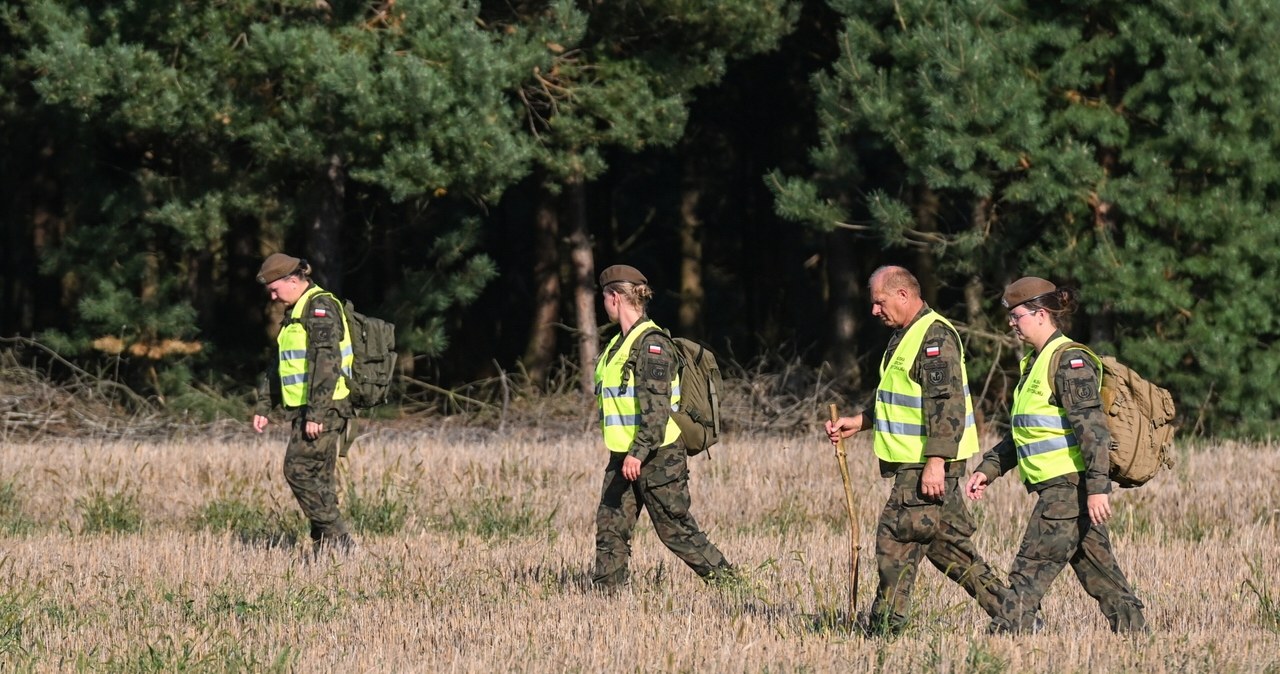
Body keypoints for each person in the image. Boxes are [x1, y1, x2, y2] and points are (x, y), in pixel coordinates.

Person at [825, 265, 1013, 635]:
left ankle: (881, 634)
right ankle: (1017, 615)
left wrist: (935, 463)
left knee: (894, 542)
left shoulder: (934, 337)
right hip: (918, 462)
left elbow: (946, 406)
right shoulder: (905, 335)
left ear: (903, 295)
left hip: (924, 464)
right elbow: (901, 398)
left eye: (880, 303)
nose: (874, 311)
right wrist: (860, 422)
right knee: (948, 550)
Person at [965, 276, 1146, 634]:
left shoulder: (1070, 361)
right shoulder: (1034, 363)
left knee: (1029, 570)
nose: (1011, 324)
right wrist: (989, 468)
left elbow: (1093, 430)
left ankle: (1004, 637)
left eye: (1017, 316)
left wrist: (1097, 488)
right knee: (1102, 576)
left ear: (1042, 313)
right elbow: (1029, 433)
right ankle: (1138, 639)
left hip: (1068, 487)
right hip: (1062, 488)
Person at [591, 264, 735, 590]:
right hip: (624, 454)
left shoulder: (651, 345)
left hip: (656, 455)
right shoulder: (617, 346)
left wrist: (638, 453)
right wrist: (628, 454)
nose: (603, 304)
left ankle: (732, 587)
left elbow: (656, 414)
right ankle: (604, 597)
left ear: (614, 297)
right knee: (611, 527)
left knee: (676, 530)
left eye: (603, 298)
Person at [252, 252, 357, 556]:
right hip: (306, 408)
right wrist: (264, 407)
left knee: (296, 469)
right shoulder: (295, 311)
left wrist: (317, 413)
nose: (272, 296)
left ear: (293, 280)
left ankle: (339, 539)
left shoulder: (320, 307)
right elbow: (281, 364)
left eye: (275, 289)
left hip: (325, 407)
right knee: (319, 477)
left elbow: (328, 361)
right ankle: (327, 549)